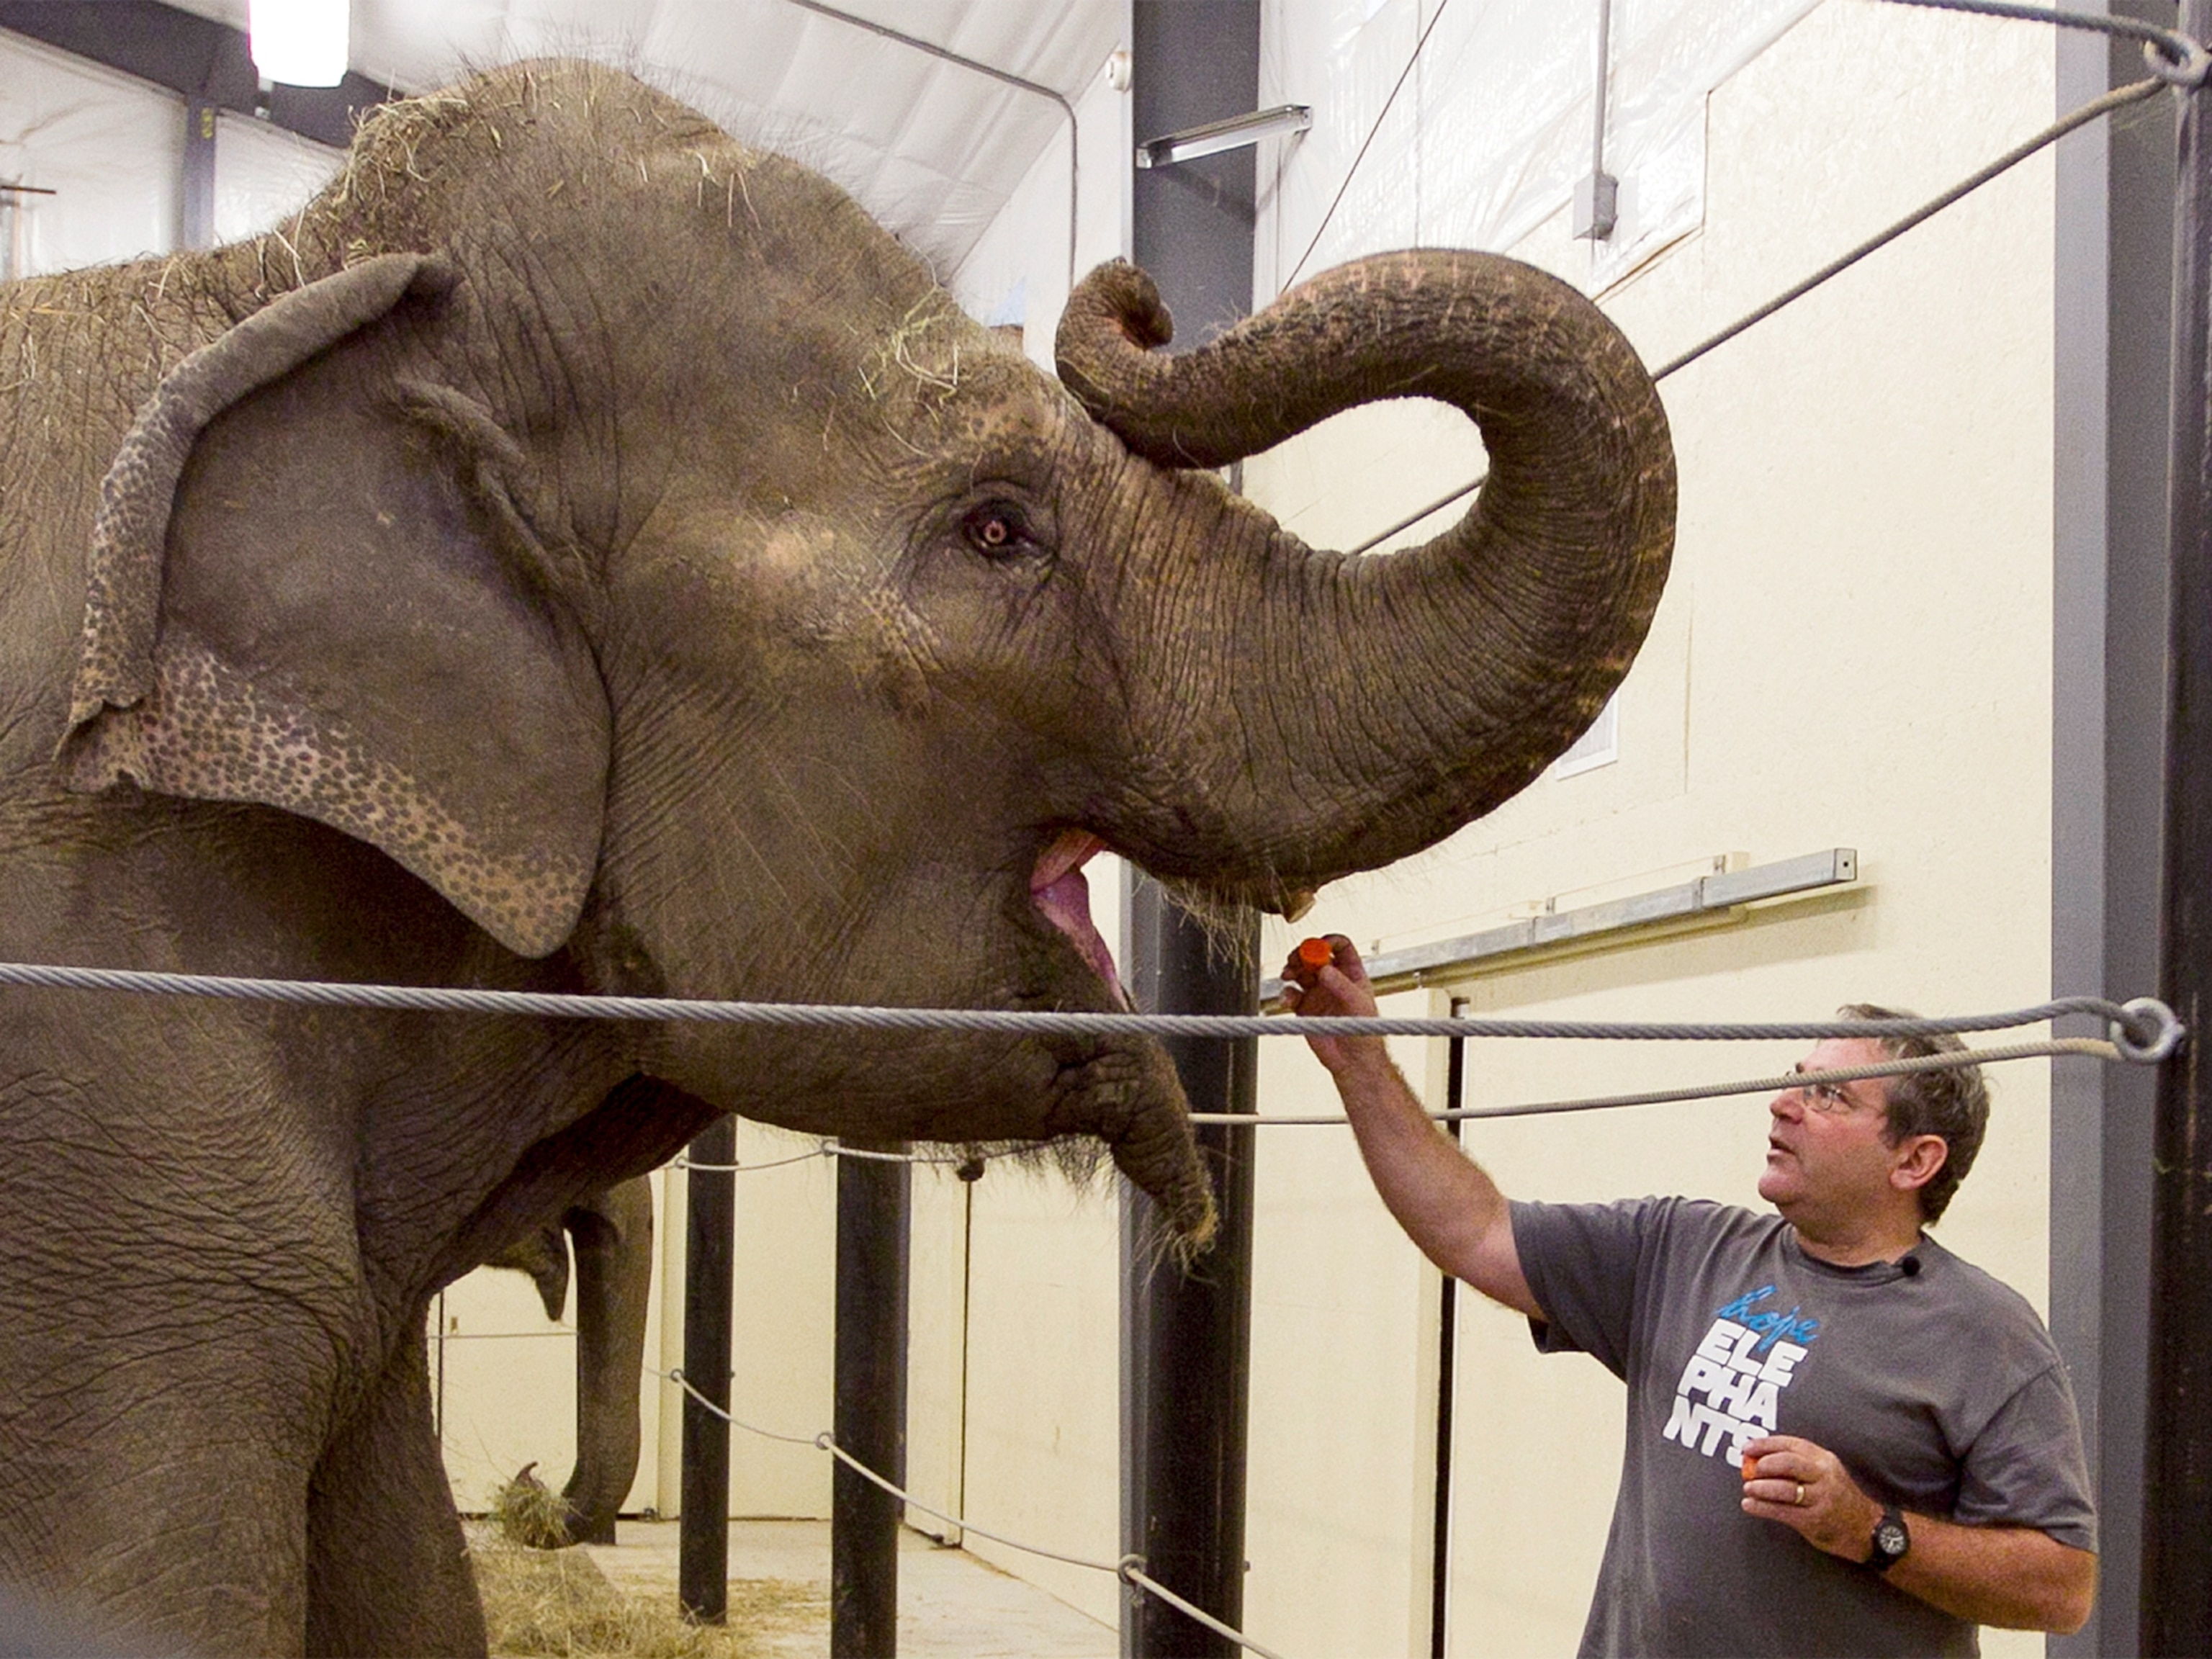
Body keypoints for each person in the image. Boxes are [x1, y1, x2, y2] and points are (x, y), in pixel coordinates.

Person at [1281, 935, 2095, 1658]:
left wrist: (1871, 1531)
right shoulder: (1682, 1247)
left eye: (1829, 1097)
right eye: (1796, 1079)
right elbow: (1472, 1230)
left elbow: (2062, 1589)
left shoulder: (1986, 1333)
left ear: (1914, 1162)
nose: (1783, 1103)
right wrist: (1360, 1061)